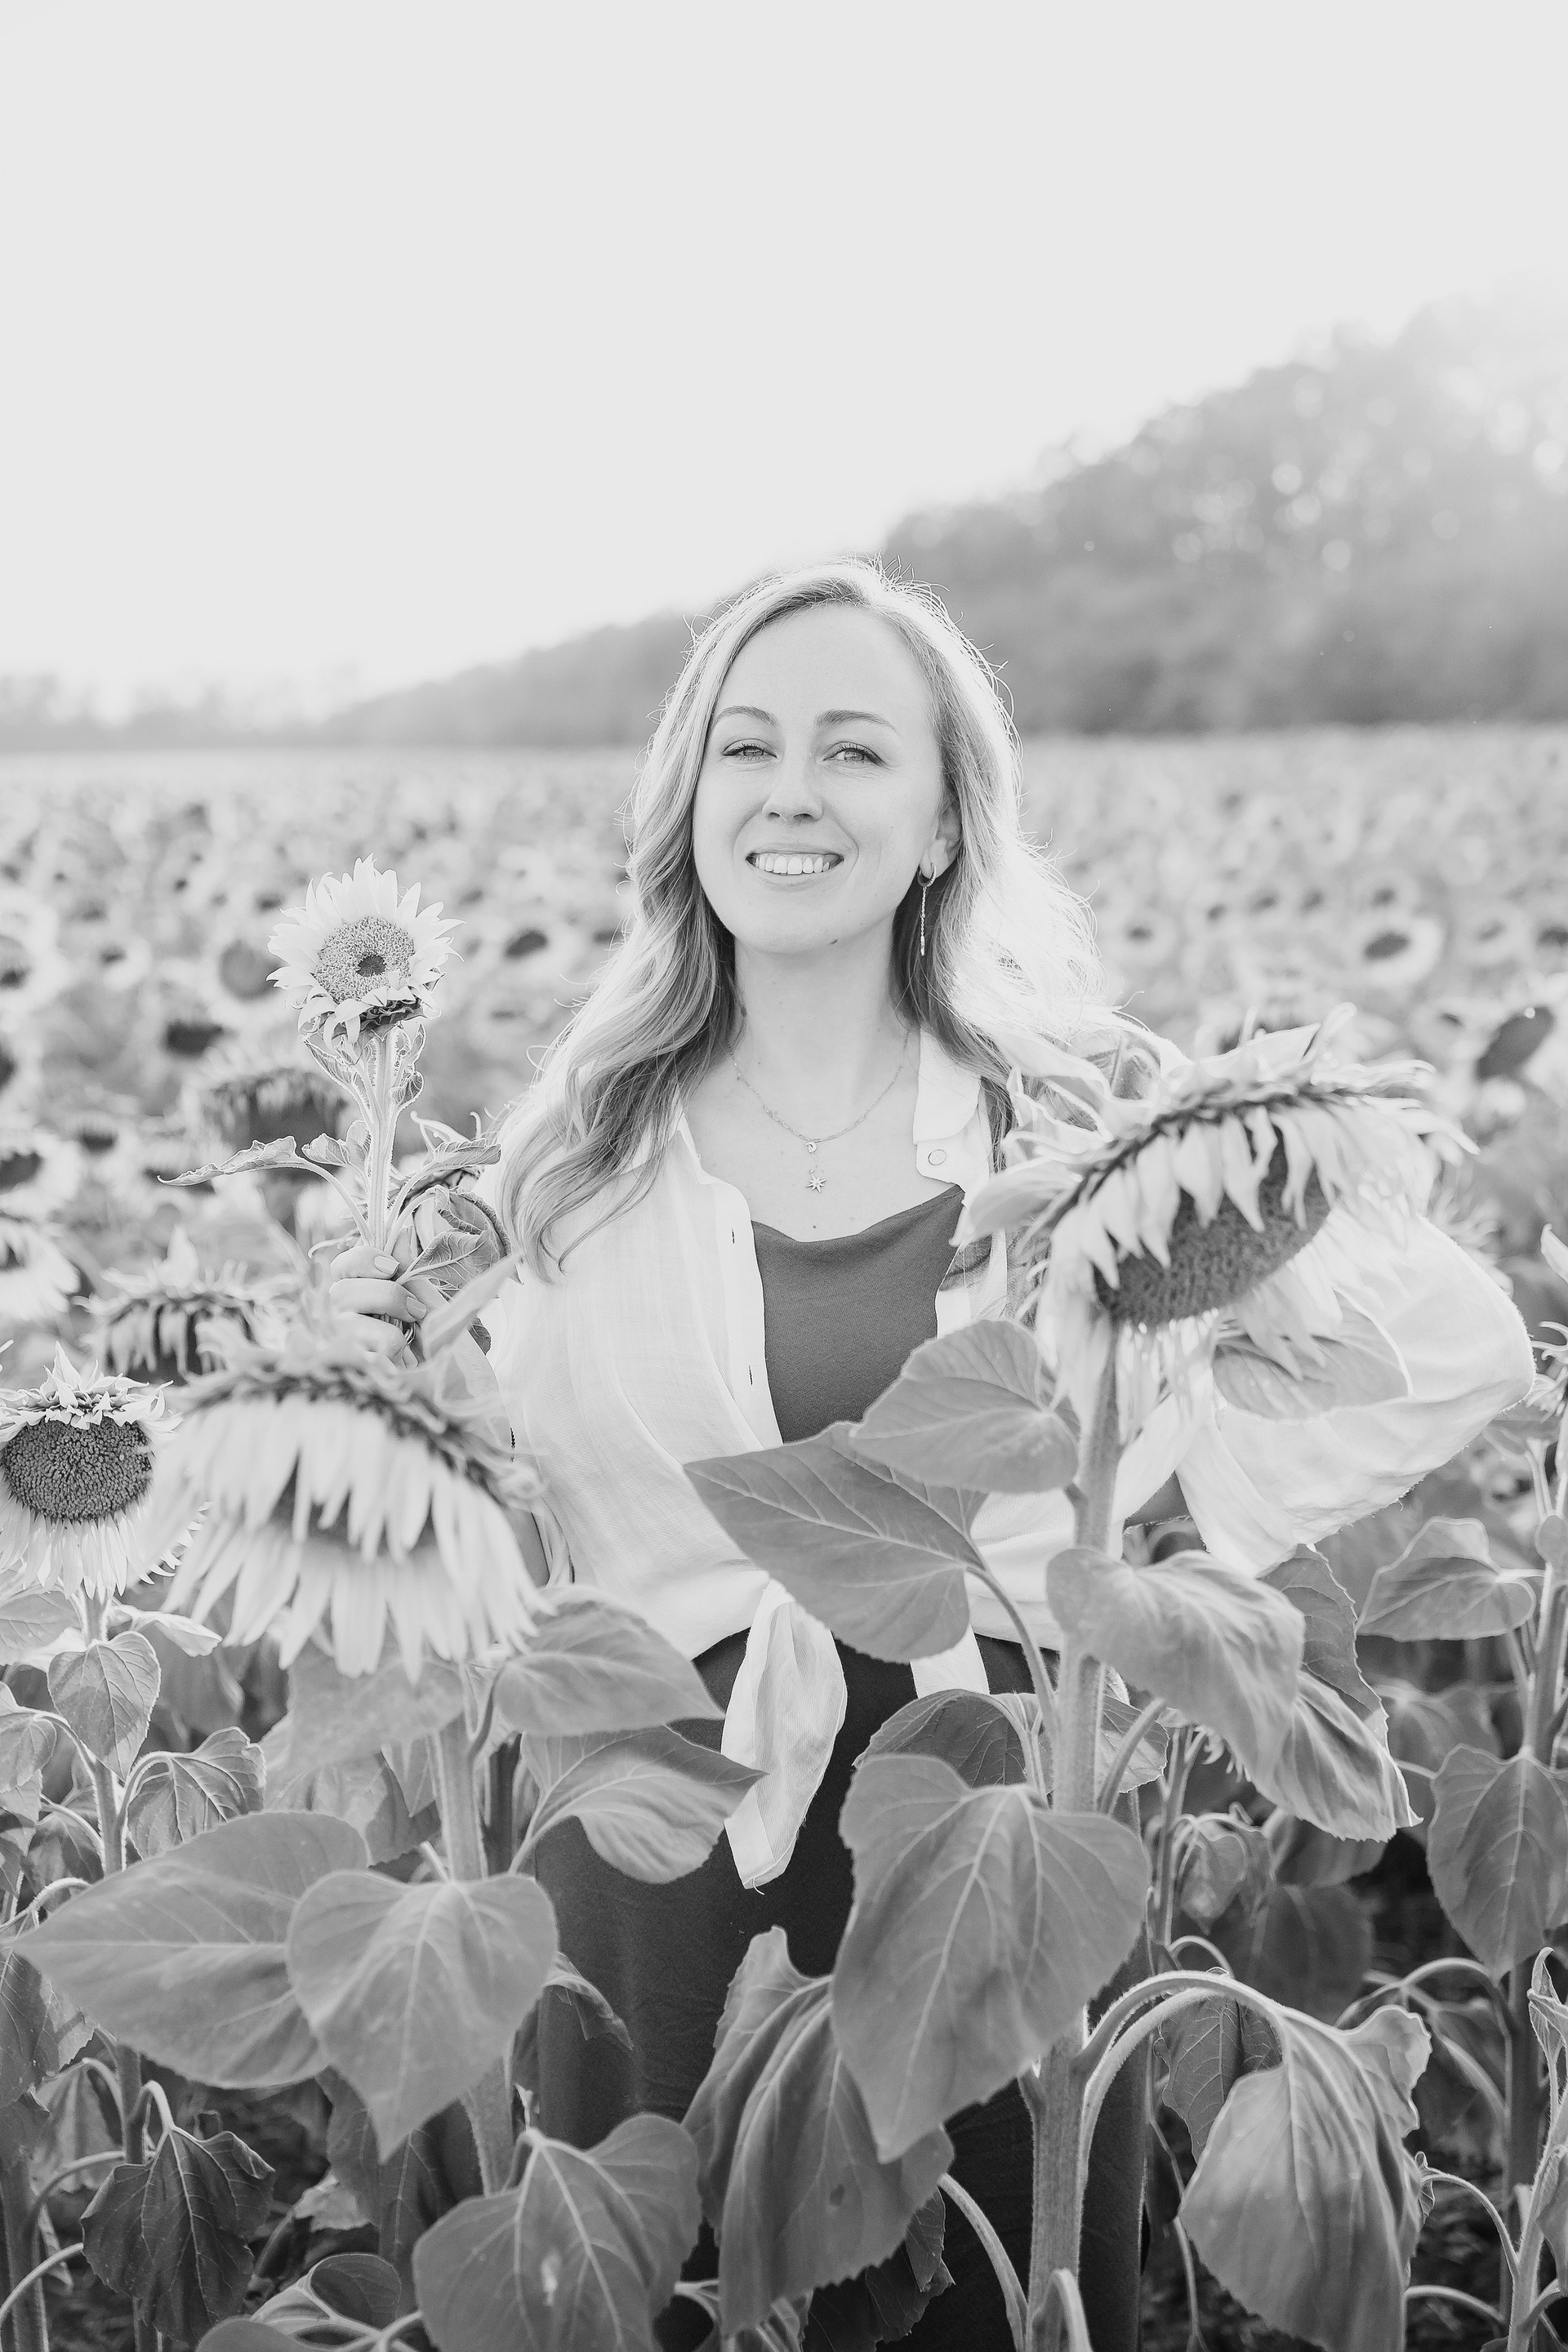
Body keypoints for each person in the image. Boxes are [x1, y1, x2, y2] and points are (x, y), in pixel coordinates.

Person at [333, 559, 1533, 2350]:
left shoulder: (1075, 1108)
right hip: (666, 1861)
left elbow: (1452, 1338)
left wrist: (1156, 1520)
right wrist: (373, 1385)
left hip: (989, 1861)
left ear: (946, 817)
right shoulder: (569, 1161)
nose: (790, 793)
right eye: (745, 746)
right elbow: (484, 1539)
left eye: (853, 749)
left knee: (994, 2285)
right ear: (687, 800)